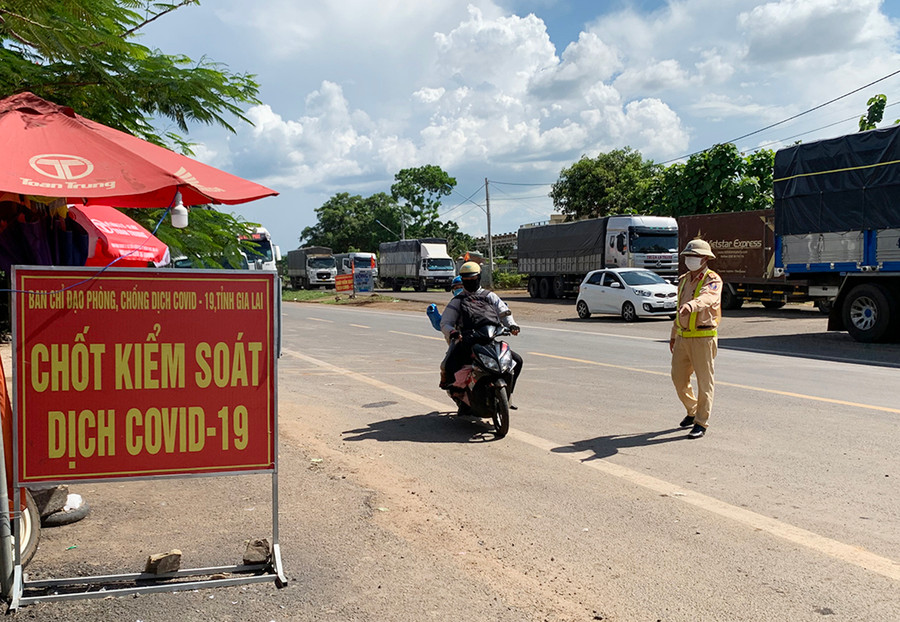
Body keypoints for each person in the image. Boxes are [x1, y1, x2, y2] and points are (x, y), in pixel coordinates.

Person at [439, 262, 523, 406]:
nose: (469, 282)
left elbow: (504, 313)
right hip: (467, 342)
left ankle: (508, 395)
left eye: (472, 279)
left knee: (517, 361)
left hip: (489, 339)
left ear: (479, 277)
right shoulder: (457, 301)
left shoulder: (490, 296)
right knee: (450, 365)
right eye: (466, 280)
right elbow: (445, 322)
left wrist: (512, 325)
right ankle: (459, 397)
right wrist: (452, 332)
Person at [669, 238, 722, 439]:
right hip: (683, 338)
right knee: (678, 378)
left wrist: (692, 305)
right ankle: (692, 410)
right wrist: (673, 335)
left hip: (703, 337)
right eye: (688, 256)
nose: (691, 259)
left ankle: (701, 422)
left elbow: (709, 298)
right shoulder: (683, 279)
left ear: (705, 258)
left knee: (704, 382)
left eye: (696, 256)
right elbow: (678, 310)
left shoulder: (712, 279)